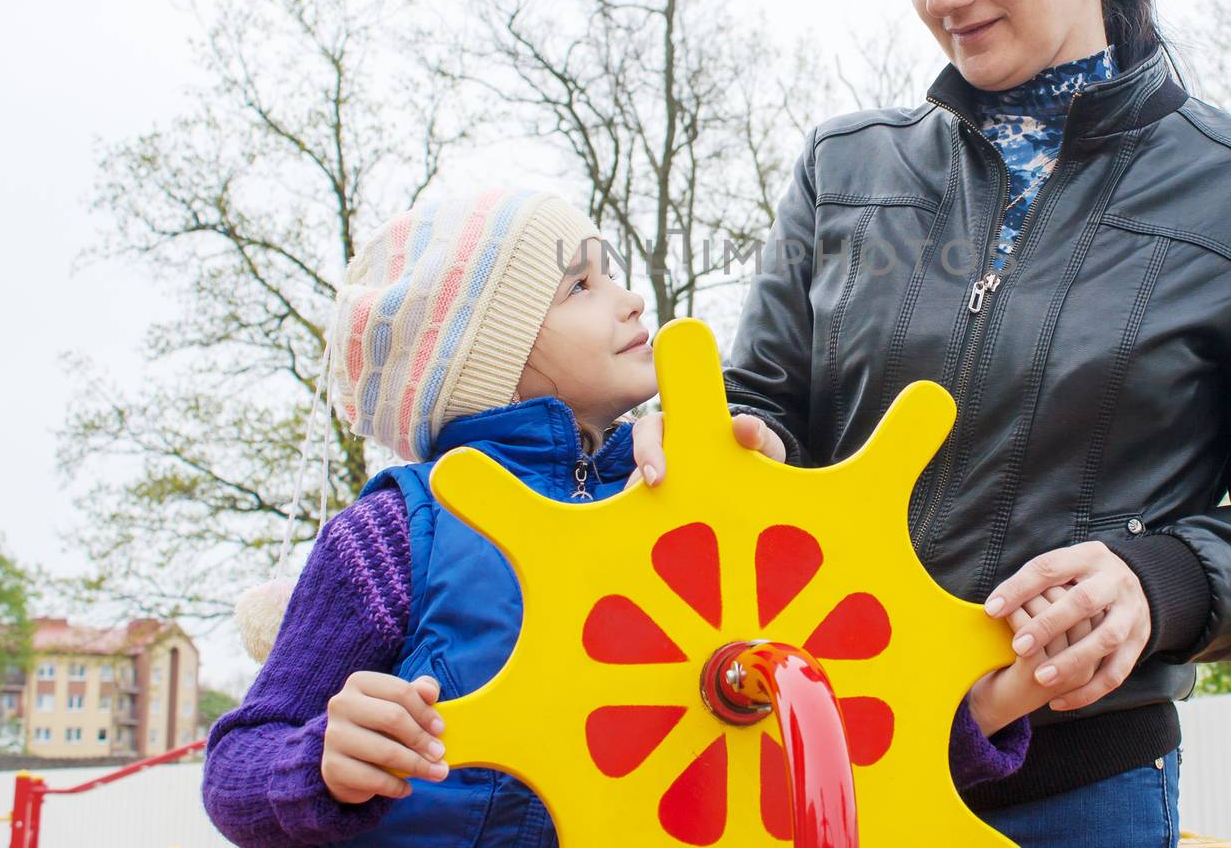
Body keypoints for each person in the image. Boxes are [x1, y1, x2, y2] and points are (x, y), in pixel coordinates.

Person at [633, 0, 1231, 847]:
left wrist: (1159, 578)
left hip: (1075, 790)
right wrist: (713, 443)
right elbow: (760, 406)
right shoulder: (845, 170)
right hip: (807, 770)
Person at [201, 187, 1036, 848]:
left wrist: (982, 704)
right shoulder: (398, 534)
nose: (632, 300)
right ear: (488, 353)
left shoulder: (674, 493)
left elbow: (800, 714)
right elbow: (238, 764)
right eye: (582, 285)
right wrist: (321, 764)